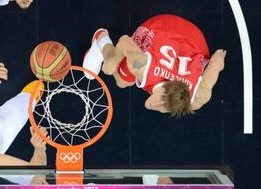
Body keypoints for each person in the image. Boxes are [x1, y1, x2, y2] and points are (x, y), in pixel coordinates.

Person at [82, 14, 226, 116]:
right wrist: (112, 60)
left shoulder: (197, 99)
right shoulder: (142, 66)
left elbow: (216, 63)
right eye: (160, 101)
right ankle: (101, 40)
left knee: (124, 76)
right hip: (165, 26)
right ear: (164, 91)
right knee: (122, 80)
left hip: (193, 42)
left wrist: (219, 57)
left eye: (165, 108)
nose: (154, 105)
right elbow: (125, 41)